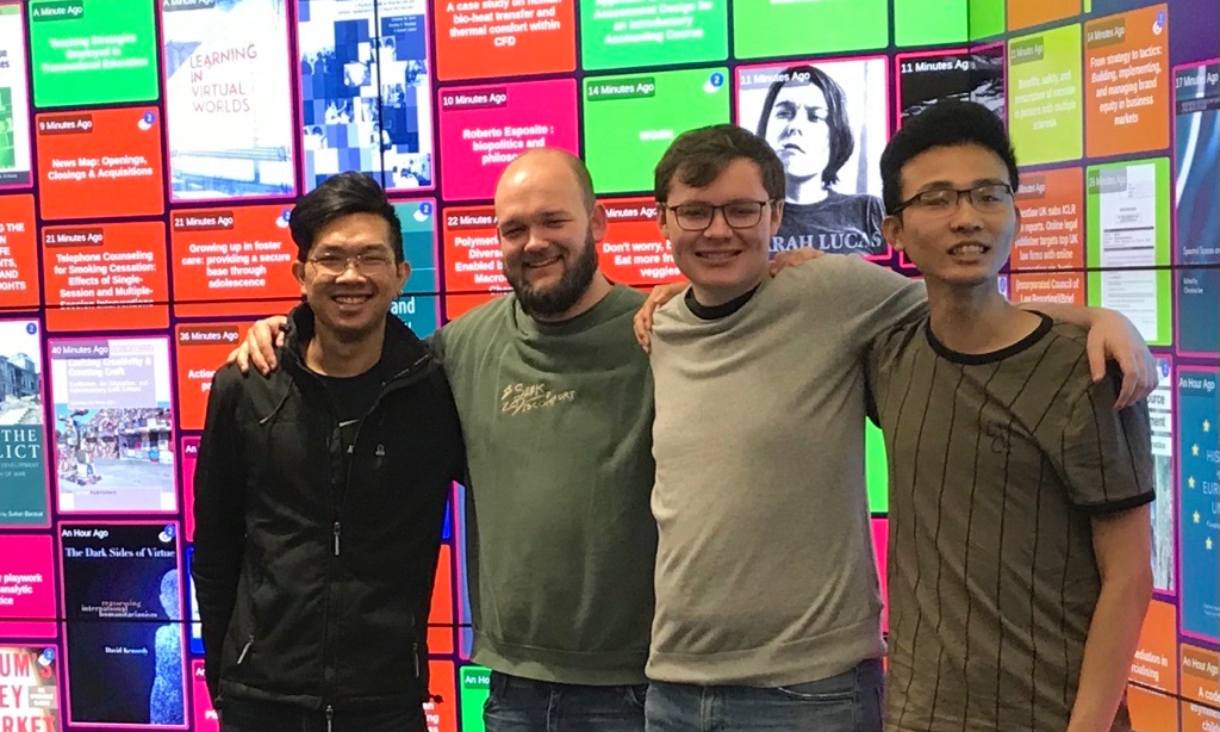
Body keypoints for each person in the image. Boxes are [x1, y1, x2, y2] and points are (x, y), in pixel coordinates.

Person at [638, 123, 1155, 732]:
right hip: (679, 686)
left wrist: (1099, 316)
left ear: (776, 214)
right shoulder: (661, 326)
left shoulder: (833, 292)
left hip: (810, 691)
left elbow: (976, 311)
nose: (719, 230)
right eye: (695, 212)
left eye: (742, 210)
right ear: (663, 219)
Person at [229, 150, 659, 731]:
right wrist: (285, 330)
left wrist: (782, 274)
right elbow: (360, 361)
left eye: (554, 221)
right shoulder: (461, 347)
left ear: (598, 222)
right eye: (514, 228)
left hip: (639, 685)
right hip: (512, 686)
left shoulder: (661, 332)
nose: (535, 243)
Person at [868, 100, 1153, 731]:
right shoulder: (890, 357)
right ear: (895, 231)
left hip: (1051, 715)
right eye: (937, 199)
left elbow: (1130, 577)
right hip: (918, 713)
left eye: (989, 195)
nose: (967, 217)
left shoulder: (1087, 369)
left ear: (1016, 217)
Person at [192, 172, 464, 732]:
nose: (351, 276)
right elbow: (215, 547)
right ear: (301, 274)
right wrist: (225, 679)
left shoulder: (434, 391)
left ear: (401, 275)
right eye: (331, 258)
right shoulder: (245, 385)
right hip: (260, 701)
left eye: (370, 258)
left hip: (385, 704)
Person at [756, 65, 886, 257]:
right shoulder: (746, 215)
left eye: (815, 117)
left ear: (836, 136)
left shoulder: (868, 211)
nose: (794, 126)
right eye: (783, 113)